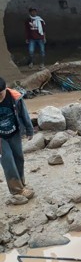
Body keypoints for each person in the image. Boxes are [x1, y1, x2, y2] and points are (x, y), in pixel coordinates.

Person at [0, 77, 35, 205]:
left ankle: (22, 184)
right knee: (8, 160)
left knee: (19, 158)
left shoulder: (15, 98)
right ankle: (16, 190)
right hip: (1, 138)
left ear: (5, 89)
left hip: (15, 133)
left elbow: (24, 114)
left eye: (0, 94)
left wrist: (30, 130)